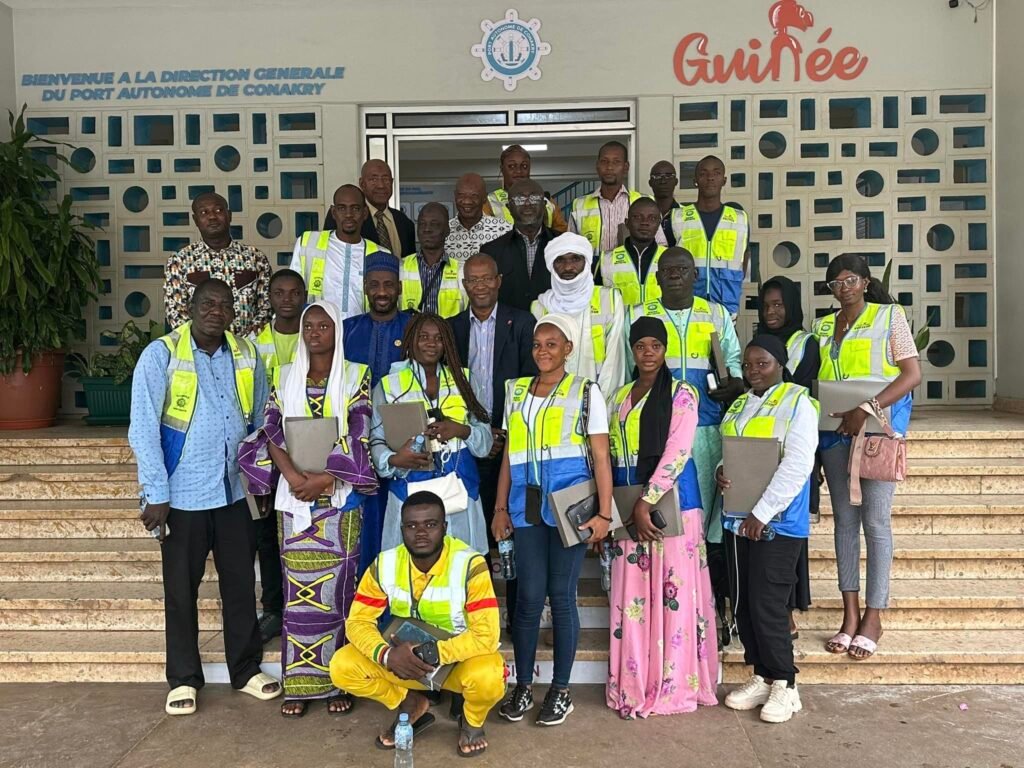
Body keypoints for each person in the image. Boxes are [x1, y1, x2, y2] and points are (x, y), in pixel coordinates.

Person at [128, 279, 279, 716]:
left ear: (234, 311)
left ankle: (246, 670)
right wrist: (155, 493)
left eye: (224, 304)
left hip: (233, 491)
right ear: (190, 308)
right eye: (208, 303)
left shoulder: (247, 354)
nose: (217, 310)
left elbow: (258, 424)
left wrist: (258, 481)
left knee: (239, 585)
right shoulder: (162, 355)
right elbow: (143, 429)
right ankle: (183, 680)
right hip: (181, 494)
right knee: (180, 590)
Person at [239, 300, 377, 717]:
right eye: (309, 326)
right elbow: (272, 430)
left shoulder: (356, 375)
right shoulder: (286, 376)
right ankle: (298, 684)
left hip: (339, 502)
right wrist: (295, 478)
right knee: (299, 599)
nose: (316, 332)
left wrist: (326, 478)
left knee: (339, 594)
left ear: (337, 330)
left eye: (324, 325)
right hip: (294, 500)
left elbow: (359, 431)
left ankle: (339, 683)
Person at [493, 314, 614, 727]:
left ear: (568, 349)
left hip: (570, 505)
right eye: (537, 345)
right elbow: (510, 454)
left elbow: (601, 456)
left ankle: (561, 690)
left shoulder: (585, 391)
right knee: (527, 598)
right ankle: (523, 685)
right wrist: (499, 507)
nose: (543, 351)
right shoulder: (517, 391)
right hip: (525, 504)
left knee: (561, 597)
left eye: (552, 344)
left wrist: (604, 513)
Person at [330, 491, 504, 758]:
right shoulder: (385, 564)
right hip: (402, 661)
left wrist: (430, 653)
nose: (421, 532)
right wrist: (387, 655)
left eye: (431, 524)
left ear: (445, 527)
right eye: (412, 526)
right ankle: (409, 703)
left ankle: (472, 721)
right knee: (342, 666)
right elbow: (358, 622)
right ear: (401, 529)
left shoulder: (470, 564)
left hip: (454, 659)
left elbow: (487, 635)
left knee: (490, 675)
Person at [606, 317, 719, 719]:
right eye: (641, 346)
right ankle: (636, 682)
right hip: (629, 502)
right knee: (633, 597)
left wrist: (647, 500)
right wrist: (621, 503)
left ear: (665, 349)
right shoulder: (620, 396)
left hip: (673, 505)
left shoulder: (682, 393)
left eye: (655, 345)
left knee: (673, 596)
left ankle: (672, 684)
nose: (648, 352)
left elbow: (678, 451)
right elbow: (615, 453)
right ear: (632, 351)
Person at [814, 254, 921, 660]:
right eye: (835, 283)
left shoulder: (889, 317)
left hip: (877, 434)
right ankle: (849, 615)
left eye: (850, 280)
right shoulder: (822, 326)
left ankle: (874, 616)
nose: (843, 288)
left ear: (865, 282)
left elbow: (911, 374)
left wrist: (869, 408)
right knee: (844, 523)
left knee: (875, 523)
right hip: (835, 435)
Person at [717, 335, 818, 723]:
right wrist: (720, 473)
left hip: (776, 523)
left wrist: (762, 513)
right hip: (738, 520)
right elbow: (729, 452)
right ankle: (761, 674)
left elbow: (797, 464)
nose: (753, 371)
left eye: (762, 364)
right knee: (743, 603)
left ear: (780, 364)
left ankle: (786, 685)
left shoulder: (798, 402)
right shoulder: (741, 403)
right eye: (748, 365)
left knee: (769, 604)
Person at [627, 248, 743, 536]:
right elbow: (626, 370)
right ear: (657, 277)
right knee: (659, 501)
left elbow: (732, 359)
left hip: (705, 425)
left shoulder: (716, 313)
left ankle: (699, 570)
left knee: (701, 507)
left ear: (696, 274)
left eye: (682, 269)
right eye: (667, 270)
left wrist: (734, 383)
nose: (675, 275)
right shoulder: (638, 314)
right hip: (653, 425)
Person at [451, 252, 539, 628]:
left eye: (487, 278)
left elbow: (531, 381)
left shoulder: (521, 322)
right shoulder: (451, 327)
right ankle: (479, 614)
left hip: (509, 445)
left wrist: (509, 432)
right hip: (467, 446)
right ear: (464, 284)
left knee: (511, 531)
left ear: (498, 280)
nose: (481, 286)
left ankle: (519, 615)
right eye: (473, 279)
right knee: (472, 534)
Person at [370, 312, 494, 555]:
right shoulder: (388, 384)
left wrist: (460, 430)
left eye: (438, 338)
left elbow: (486, 443)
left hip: (458, 489)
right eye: (423, 337)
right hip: (409, 489)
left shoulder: (464, 380)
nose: (431, 343)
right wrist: (394, 459)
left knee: (460, 563)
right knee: (407, 567)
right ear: (410, 341)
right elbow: (375, 441)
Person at [757, 276, 821, 633]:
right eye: (766, 305)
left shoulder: (806, 343)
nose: (771, 312)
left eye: (779, 304)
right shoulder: (757, 344)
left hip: (794, 446)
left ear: (792, 305)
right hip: (758, 448)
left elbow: (797, 388)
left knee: (789, 532)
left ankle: (788, 609)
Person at [344, 251, 415, 574]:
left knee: (404, 522)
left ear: (399, 288)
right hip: (356, 445)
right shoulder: (346, 331)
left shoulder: (414, 327)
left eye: (388, 285)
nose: (382, 292)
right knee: (365, 524)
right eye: (374, 285)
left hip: (404, 445)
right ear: (365, 288)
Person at [248, 268, 306, 644]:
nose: (287, 299)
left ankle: (307, 606)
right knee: (265, 533)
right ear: (269, 297)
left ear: (304, 296)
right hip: (262, 451)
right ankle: (273, 608)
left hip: (306, 449)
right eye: (279, 292)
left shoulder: (316, 335)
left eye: (294, 292)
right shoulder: (252, 343)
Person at [163, 191, 272, 337]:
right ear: (195, 220)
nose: (212, 216)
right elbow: (176, 312)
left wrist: (248, 340)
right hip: (200, 351)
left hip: (248, 348)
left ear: (230, 215)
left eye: (218, 210)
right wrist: (202, 343)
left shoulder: (255, 258)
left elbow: (267, 306)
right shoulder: (179, 261)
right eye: (204, 212)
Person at [533, 232, 625, 399]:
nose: (568, 267)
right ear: (551, 265)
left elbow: (614, 362)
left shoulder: (609, 299)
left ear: (587, 262)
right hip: (553, 405)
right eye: (560, 260)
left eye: (575, 259)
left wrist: (597, 406)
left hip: (600, 400)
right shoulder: (539, 307)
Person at [291, 184, 386, 318]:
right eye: (342, 208)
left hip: (362, 333)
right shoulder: (308, 243)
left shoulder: (381, 254)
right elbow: (292, 290)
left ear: (365, 213)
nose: (348, 214)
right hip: (319, 332)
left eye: (355, 208)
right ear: (334, 212)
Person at [679, 155, 749, 316]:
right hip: (687, 306)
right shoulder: (678, 217)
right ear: (695, 180)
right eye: (704, 173)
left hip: (727, 307)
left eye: (716, 173)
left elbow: (745, 257)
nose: (710, 178)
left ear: (724, 180)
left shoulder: (739, 219)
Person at [481, 178, 557, 312]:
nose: (527, 204)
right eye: (519, 200)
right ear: (509, 207)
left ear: (544, 204)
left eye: (533, 198)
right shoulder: (491, 251)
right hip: (509, 330)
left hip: (554, 327)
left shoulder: (563, 244)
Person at [324, 160, 416, 257]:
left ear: (392, 182)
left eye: (385, 179)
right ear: (362, 183)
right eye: (373, 179)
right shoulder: (344, 216)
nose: (381, 185)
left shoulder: (404, 221)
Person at [570, 141, 643, 254]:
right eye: (604, 161)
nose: (609, 167)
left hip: (628, 270)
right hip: (592, 270)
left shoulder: (641, 202)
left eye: (616, 162)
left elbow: (659, 245)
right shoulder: (579, 205)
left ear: (626, 167)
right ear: (597, 166)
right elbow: (571, 248)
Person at [595, 196, 668, 306]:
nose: (645, 222)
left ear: (659, 223)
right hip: (621, 322)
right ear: (627, 222)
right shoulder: (605, 260)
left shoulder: (669, 258)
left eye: (652, 218)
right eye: (637, 217)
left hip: (660, 323)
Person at [399, 202, 466, 318]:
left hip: (450, 335)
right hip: (409, 335)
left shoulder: (462, 271)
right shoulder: (400, 266)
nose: (427, 229)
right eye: (422, 224)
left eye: (434, 224)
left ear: (447, 230)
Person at [484, 144, 569, 233]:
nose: (518, 171)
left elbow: (562, 235)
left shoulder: (547, 200)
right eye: (512, 166)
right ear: (502, 169)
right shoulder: (489, 202)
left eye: (524, 166)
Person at [446, 173, 511, 262]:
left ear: (484, 198)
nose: (467, 201)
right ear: (455, 195)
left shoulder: (505, 229)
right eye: (461, 195)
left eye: (474, 195)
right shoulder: (442, 232)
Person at [649, 160, 684, 247]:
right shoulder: (643, 216)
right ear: (650, 183)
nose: (663, 181)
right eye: (657, 176)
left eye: (668, 176)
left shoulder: (685, 215)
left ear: (676, 181)